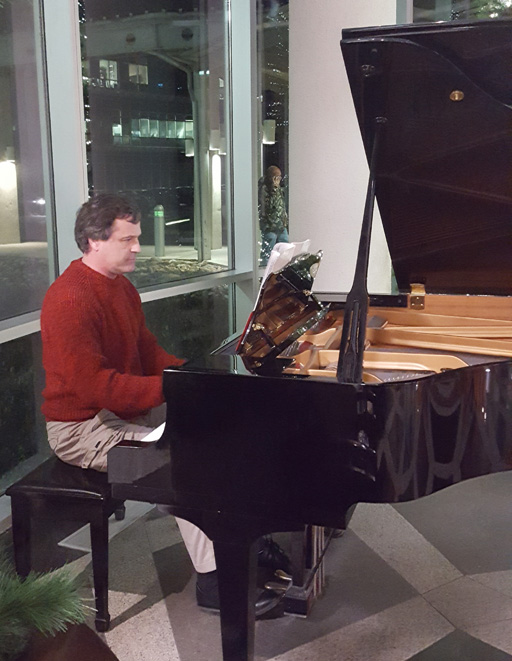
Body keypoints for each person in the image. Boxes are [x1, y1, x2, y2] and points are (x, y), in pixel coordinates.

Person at [40, 193, 286, 614]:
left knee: (220, 425)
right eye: (128, 239)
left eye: (137, 237)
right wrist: (172, 390)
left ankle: (242, 537)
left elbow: (150, 354)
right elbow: (96, 387)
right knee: (181, 457)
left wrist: (196, 377)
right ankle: (213, 580)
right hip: (80, 426)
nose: (138, 247)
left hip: (120, 408)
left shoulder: (121, 288)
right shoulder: (69, 299)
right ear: (94, 241)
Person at [259, 165, 289, 266]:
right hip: (270, 226)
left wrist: (285, 219)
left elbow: (281, 205)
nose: (279, 180)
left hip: (280, 225)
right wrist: (274, 189)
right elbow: (270, 206)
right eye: (276, 177)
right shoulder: (264, 189)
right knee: (267, 252)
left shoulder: (279, 189)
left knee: (285, 248)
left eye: (280, 177)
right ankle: (264, 273)